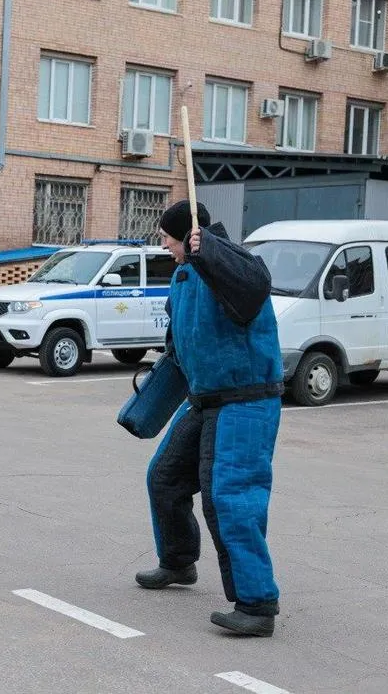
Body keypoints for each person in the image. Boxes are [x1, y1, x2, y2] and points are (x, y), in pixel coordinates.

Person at [136, 200, 284, 637]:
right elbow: (181, 345)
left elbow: (255, 282)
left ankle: (258, 605)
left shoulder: (231, 266)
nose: (163, 244)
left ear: (189, 235)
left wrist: (210, 250)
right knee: (164, 478)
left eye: (167, 236)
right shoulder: (183, 277)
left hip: (245, 402)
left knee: (231, 499)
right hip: (205, 399)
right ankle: (179, 563)